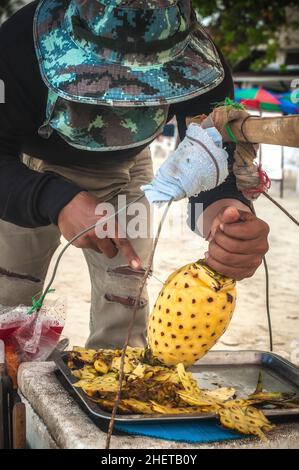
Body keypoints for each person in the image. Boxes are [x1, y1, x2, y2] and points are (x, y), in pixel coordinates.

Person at [0, 0, 269, 349]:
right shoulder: (15, 47)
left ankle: (111, 394)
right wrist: (55, 198)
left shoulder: (201, 66)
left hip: (127, 172)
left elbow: (212, 157)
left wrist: (225, 215)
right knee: (11, 301)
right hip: (22, 168)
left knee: (126, 306)